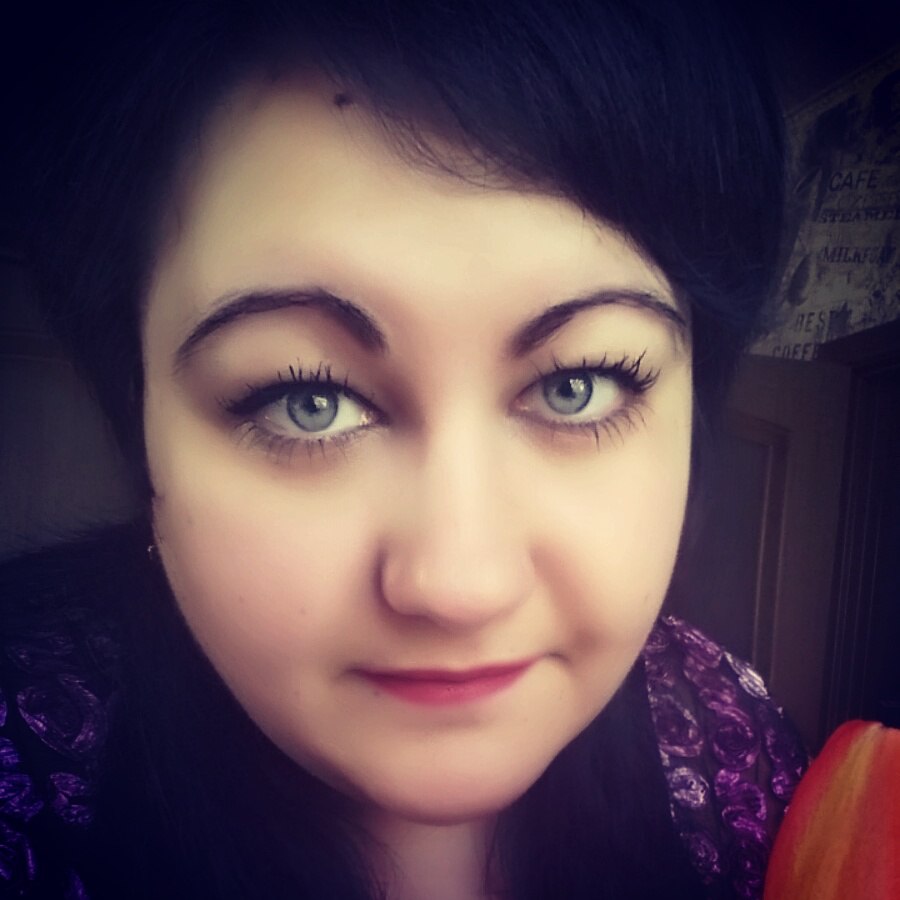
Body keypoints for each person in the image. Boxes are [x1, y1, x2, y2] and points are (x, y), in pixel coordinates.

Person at [0, 1, 810, 897]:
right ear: (141, 416)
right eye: (307, 402)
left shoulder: (741, 758)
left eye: (576, 385)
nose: (460, 587)